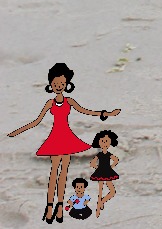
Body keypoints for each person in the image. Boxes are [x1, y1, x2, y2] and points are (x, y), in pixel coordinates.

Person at [8, 64, 120, 223]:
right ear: (50, 85)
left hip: (66, 137)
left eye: (61, 84)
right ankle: (49, 207)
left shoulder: (70, 101)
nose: (58, 87)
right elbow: (36, 121)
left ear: (66, 84)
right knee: (54, 174)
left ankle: (59, 206)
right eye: (55, 84)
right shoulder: (50, 103)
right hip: (56, 137)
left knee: (63, 175)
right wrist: (18, 131)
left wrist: (105, 113)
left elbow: (86, 111)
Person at [86, 130, 119, 217]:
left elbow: (116, 160)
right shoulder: (100, 155)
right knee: (100, 190)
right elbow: (92, 163)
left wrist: (110, 167)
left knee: (111, 191)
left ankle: (101, 202)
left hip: (105, 172)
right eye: (102, 141)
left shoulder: (108, 154)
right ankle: (99, 206)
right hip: (103, 172)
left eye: (107, 141)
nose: (105, 143)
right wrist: (99, 168)